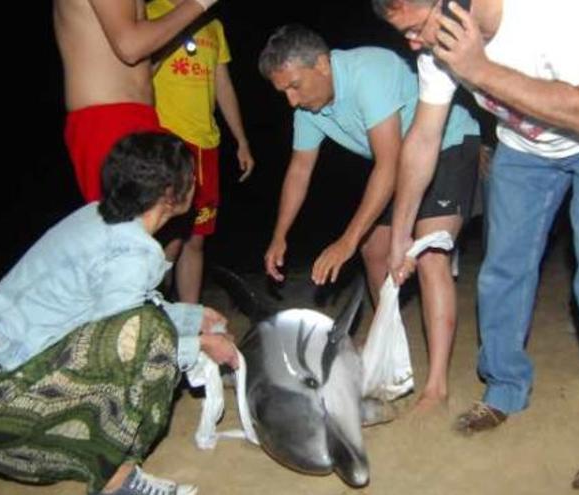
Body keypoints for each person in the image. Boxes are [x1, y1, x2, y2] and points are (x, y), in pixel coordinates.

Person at [375, 0, 579, 489]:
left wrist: (478, 67)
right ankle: (504, 388)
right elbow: (423, 138)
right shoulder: (438, 48)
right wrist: (400, 232)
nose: (414, 44)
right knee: (502, 268)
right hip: (526, 146)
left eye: (417, 27)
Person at [0, 133, 239, 495]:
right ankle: (118, 481)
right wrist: (203, 344)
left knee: (152, 328)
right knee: (152, 342)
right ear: (170, 193)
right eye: (191, 177)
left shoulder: (99, 217)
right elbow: (131, 332)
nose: (197, 184)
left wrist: (193, 317)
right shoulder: (134, 251)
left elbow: (122, 308)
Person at [259, 24, 482, 414]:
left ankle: (436, 387)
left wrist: (345, 239)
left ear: (322, 64)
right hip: (402, 161)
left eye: (295, 86)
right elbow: (299, 171)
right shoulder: (310, 108)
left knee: (430, 255)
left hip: (447, 143)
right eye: (283, 93)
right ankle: (386, 340)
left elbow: (390, 162)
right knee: (374, 249)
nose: (291, 101)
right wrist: (279, 235)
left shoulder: (368, 71)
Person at [53, 0, 219, 202]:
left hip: (140, 116)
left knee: (161, 214)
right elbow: (130, 46)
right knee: (125, 224)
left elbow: (138, 68)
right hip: (107, 119)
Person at [146, 0, 255, 304]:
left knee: (196, 239)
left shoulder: (213, 25)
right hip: (167, 142)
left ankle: (189, 319)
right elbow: (140, 72)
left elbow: (222, 84)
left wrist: (241, 140)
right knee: (167, 238)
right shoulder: (151, 13)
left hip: (207, 144)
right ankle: (148, 308)